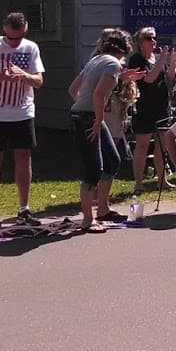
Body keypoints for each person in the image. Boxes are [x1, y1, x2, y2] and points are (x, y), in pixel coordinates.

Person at [0, 12, 44, 229]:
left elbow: (39, 81)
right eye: (11, 38)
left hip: (22, 112)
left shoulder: (30, 48)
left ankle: (24, 207)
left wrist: (24, 76)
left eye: (19, 37)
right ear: (4, 29)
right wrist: (0, 77)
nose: (15, 42)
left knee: (24, 157)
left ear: (25, 30)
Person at [68, 29, 131, 231]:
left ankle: (103, 209)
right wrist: (96, 118)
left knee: (112, 160)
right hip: (89, 118)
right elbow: (98, 94)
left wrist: (85, 108)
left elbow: (73, 90)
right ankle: (88, 220)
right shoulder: (112, 63)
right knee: (93, 169)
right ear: (124, 49)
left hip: (85, 115)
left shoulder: (96, 60)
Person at [128, 28, 176, 192]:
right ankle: (139, 183)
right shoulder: (137, 59)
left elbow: (170, 78)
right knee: (143, 146)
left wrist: (172, 61)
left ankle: (162, 180)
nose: (153, 42)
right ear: (140, 42)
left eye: (154, 38)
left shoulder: (157, 59)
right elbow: (149, 79)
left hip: (162, 107)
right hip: (144, 108)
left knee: (162, 146)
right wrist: (162, 60)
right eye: (149, 38)